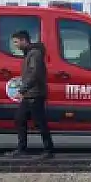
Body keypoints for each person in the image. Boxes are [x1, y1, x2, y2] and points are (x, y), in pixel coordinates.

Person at [8, 30, 55, 158]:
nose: (15, 45)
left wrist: (22, 89)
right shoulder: (29, 53)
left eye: (16, 42)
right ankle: (21, 148)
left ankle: (48, 150)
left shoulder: (35, 54)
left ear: (24, 40)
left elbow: (34, 74)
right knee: (20, 119)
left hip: (35, 94)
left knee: (40, 122)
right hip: (29, 94)